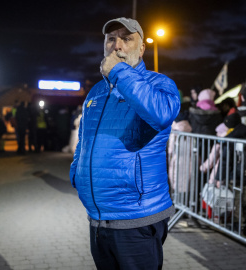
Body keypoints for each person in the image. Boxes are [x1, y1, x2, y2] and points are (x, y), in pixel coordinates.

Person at [70, 17, 180, 270]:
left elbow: (161, 114)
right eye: (111, 39)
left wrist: (119, 71)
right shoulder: (96, 91)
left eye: (127, 39)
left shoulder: (159, 84)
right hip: (98, 217)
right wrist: (77, 171)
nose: (116, 46)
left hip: (136, 217)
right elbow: (84, 140)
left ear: (141, 49)